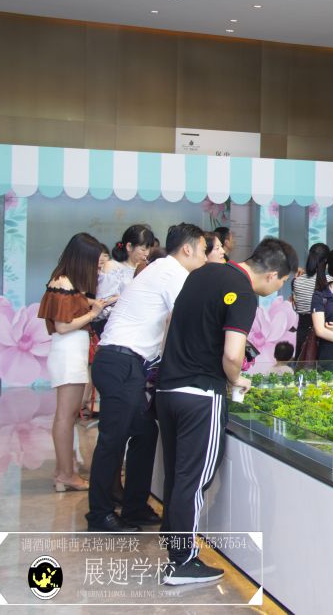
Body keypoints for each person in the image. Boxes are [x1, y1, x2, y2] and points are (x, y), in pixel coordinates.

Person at [156, 237, 297, 585]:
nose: (277, 289)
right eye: (281, 283)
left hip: (168, 388)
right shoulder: (243, 292)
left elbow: (172, 323)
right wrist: (236, 379)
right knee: (195, 479)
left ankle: (173, 540)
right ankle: (182, 562)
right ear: (272, 275)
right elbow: (233, 353)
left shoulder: (203, 273)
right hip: (201, 394)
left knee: (177, 474)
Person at [86, 223, 207, 533]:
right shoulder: (173, 273)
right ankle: (99, 515)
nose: (206, 258)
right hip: (120, 361)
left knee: (145, 432)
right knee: (112, 440)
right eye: (204, 250)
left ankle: (135, 506)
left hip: (125, 363)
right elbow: (185, 320)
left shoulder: (163, 268)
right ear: (188, 249)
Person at [37, 233, 112, 492]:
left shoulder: (69, 283)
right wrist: (93, 313)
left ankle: (64, 471)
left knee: (68, 415)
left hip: (72, 354)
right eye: (94, 262)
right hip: (67, 355)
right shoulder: (62, 283)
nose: (96, 267)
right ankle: (65, 474)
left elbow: (74, 305)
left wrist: (95, 303)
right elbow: (62, 326)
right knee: (65, 415)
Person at [95, 224, 156, 333]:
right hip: (112, 327)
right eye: (143, 249)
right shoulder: (113, 266)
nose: (146, 253)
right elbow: (102, 302)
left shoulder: (145, 268)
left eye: (148, 249)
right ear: (129, 246)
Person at [291, 243, 329, 361]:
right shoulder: (330, 281)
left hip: (304, 331)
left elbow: (296, 307)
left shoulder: (297, 281)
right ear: (326, 261)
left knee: (303, 366)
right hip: (326, 332)